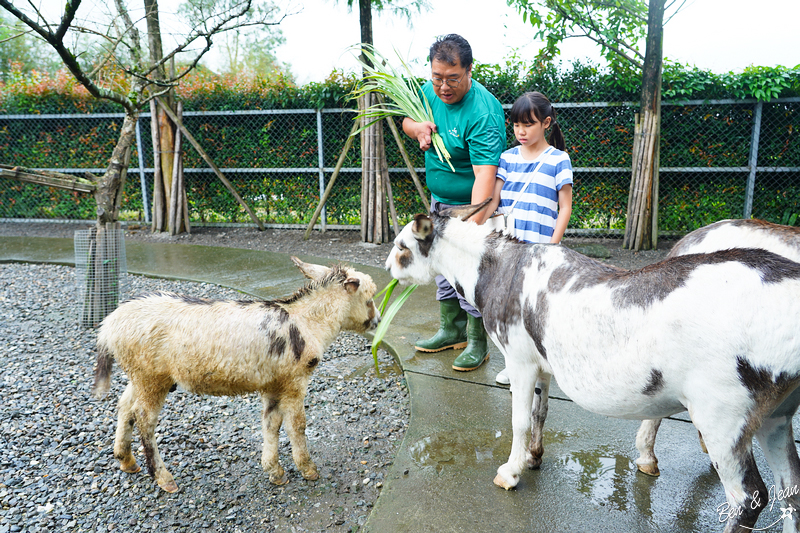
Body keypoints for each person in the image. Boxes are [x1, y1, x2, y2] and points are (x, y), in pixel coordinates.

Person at [402, 34, 506, 372]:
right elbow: (407, 121)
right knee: (443, 269)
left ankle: (478, 340)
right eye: (437, 78)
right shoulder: (426, 92)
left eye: (452, 79)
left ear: (470, 71)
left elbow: (484, 178)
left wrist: (468, 230)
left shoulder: (482, 112)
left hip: (471, 206)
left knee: (469, 271)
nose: (443, 87)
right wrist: (416, 128)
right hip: (439, 202)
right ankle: (451, 329)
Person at [489, 91, 573, 384]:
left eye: (529, 124)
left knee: (534, 307)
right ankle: (514, 365)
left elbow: (565, 207)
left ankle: (536, 366)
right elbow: (494, 200)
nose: (521, 131)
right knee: (507, 307)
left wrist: (552, 246)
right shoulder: (507, 158)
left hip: (540, 248)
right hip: (509, 248)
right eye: (515, 125)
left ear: (546, 123)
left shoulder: (559, 160)